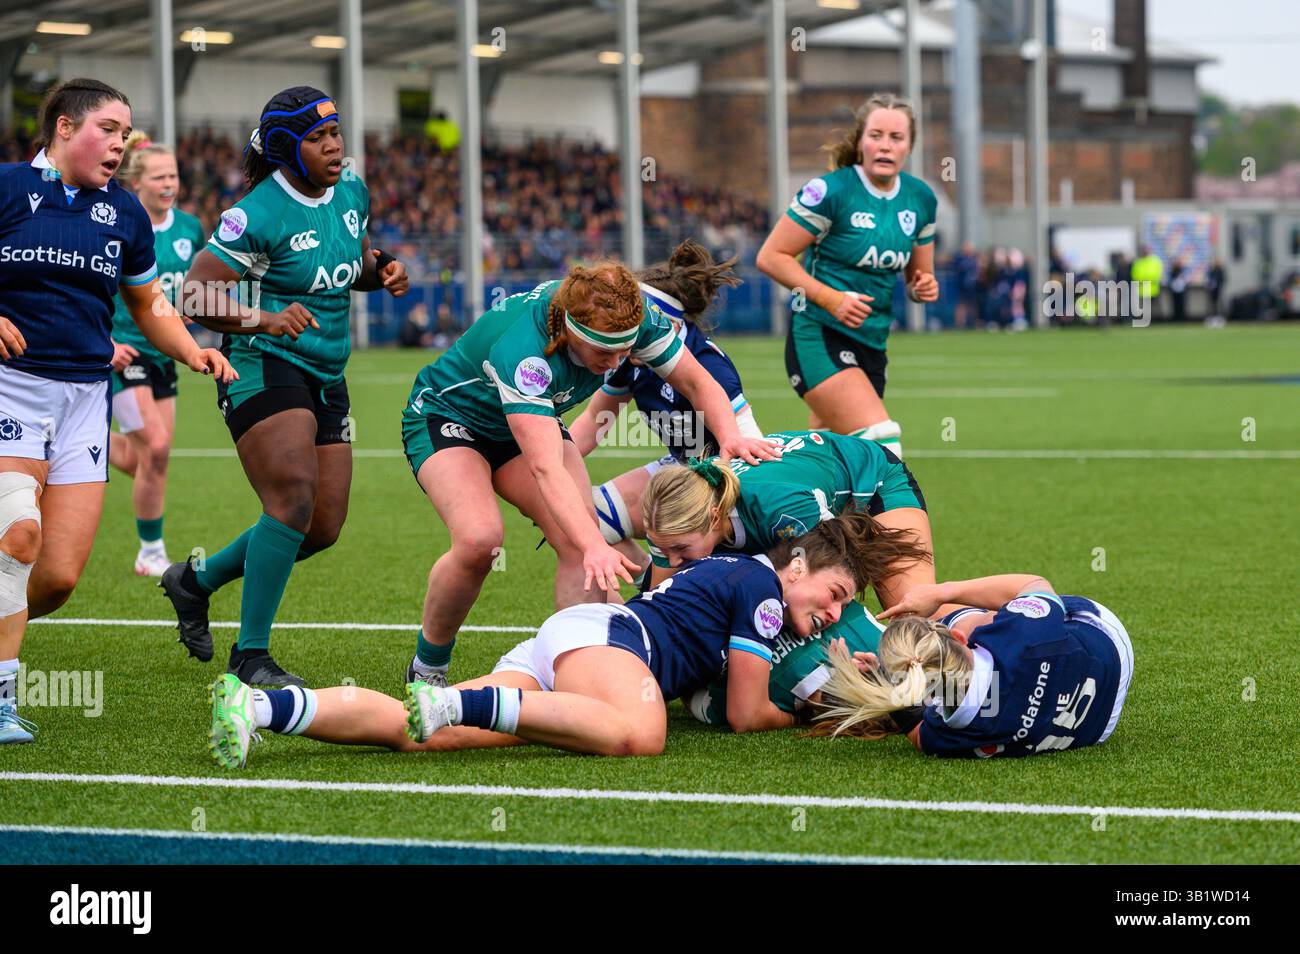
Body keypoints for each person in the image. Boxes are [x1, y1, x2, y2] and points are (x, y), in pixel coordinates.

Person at [206, 512, 882, 767]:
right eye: (836, 595)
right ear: (797, 565)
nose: (832, 613)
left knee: (417, 735)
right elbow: (743, 713)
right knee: (640, 734)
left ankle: (260, 708)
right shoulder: (762, 591)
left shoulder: (740, 576)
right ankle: (453, 703)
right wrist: (812, 709)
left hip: (582, 651)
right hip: (611, 643)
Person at [399, 263, 780, 688]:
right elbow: (545, 467)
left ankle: (580, 679)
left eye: (624, 353)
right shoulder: (526, 352)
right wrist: (594, 545)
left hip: (528, 420)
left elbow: (696, 380)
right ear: (570, 332)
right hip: (450, 419)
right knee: (480, 540)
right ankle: (428, 667)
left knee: (578, 547)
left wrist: (729, 438)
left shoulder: (638, 322)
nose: (615, 365)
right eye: (604, 355)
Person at [0, 79, 234, 744]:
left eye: (127, 131)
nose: (121, 142)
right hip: (10, 386)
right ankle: (2, 700)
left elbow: (147, 304)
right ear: (66, 128)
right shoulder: (9, 188)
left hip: (84, 403)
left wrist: (193, 352)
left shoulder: (124, 213)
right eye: (109, 127)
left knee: (57, 579)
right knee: (18, 535)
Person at [158, 86, 408, 687]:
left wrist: (384, 270)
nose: (334, 146)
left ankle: (193, 581)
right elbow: (191, 295)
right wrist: (265, 318)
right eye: (318, 137)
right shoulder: (257, 212)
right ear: (284, 149)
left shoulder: (351, 191)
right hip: (261, 363)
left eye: (336, 132)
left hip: (327, 372)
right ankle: (251, 658)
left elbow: (350, 265)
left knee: (321, 526)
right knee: (291, 500)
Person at [756, 92, 939, 459]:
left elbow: (919, 279)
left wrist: (923, 287)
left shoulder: (921, 199)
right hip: (819, 334)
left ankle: (793, 513)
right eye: (876, 135)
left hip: (872, 344)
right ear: (860, 141)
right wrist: (831, 299)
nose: (885, 146)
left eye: (896, 137)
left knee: (834, 460)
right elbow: (771, 257)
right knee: (881, 442)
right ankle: (896, 519)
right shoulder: (830, 191)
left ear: (910, 146)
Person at [569, 239, 762, 578]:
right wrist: (548, 466)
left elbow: (748, 443)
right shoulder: (629, 361)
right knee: (579, 518)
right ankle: (649, 583)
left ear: (668, 326)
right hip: (680, 466)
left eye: (635, 320)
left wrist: (727, 499)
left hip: (721, 477)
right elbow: (593, 421)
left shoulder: (707, 366)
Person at [812, 573, 1133, 758]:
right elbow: (1035, 582)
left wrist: (885, 682)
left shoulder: (945, 731)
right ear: (957, 638)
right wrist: (942, 593)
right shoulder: (1017, 635)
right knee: (977, 617)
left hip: (1098, 728)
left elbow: (918, 732)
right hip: (1108, 645)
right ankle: (949, 620)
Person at [641, 430, 933, 609]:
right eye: (662, 550)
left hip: (874, 478)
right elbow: (662, 602)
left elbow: (839, 577)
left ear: (714, 517)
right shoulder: (668, 527)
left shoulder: (779, 510)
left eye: (681, 550)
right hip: (801, 488)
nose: (673, 561)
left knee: (913, 612)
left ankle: (972, 636)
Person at [106, 132, 208, 577]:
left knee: (150, 458)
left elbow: (194, 285)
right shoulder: (122, 223)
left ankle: (71, 442)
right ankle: (150, 551)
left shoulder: (189, 228)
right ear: (137, 183)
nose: (169, 184)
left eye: (174, 176)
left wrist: (187, 318)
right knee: (158, 446)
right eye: (160, 177)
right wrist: (105, 342)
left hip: (165, 352)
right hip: (124, 353)